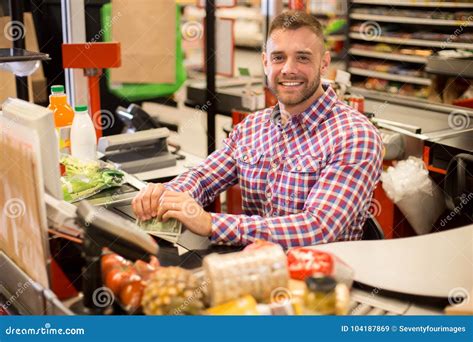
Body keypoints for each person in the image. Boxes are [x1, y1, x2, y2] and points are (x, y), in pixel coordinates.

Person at [132, 11, 383, 248]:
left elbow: (318, 228)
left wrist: (212, 224)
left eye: (303, 57)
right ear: (265, 62)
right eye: (278, 57)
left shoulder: (355, 136)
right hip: (258, 269)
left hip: (320, 283)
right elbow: (203, 178)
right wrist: (167, 196)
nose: (288, 69)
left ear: (324, 63)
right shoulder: (253, 127)